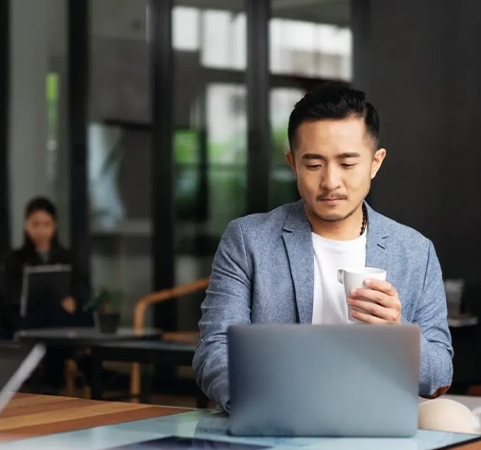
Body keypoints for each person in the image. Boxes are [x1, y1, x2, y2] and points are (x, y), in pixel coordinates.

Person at [192, 83, 463, 430]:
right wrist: (267, 406)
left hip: (379, 417)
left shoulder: (414, 250)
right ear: (292, 164)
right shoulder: (248, 240)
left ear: (375, 163)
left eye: (348, 163)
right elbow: (213, 350)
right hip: (278, 415)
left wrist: (396, 335)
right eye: (314, 164)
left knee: (454, 419)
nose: (331, 182)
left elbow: (440, 372)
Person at [0, 197, 92, 392]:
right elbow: (8, 296)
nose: (41, 230)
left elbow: (79, 290)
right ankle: (49, 383)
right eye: (35, 224)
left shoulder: (67, 257)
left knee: (70, 321)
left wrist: (73, 301)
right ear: (26, 226)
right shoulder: (14, 259)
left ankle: (54, 383)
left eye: (46, 224)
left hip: (60, 319)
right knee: (48, 322)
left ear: (54, 226)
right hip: (28, 319)